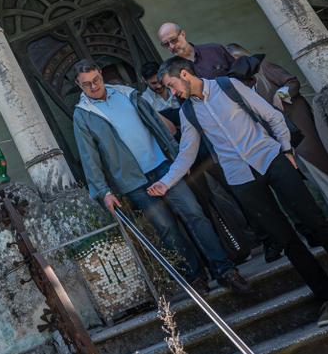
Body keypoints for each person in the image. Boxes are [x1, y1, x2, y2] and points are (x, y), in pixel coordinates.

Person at [151, 57, 328, 326]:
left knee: (317, 224)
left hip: (272, 160)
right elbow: (186, 153)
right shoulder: (188, 112)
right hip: (241, 179)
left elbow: (272, 116)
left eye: (172, 85)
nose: (172, 92)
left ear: (184, 74)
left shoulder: (228, 85)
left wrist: (287, 150)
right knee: (287, 241)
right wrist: (165, 182)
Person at [71, 60, 251, 294]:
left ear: (102, 75)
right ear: (79, 84)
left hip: (165, 167)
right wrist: (103, 190)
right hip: (134, 182)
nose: (93, 86)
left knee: (195, 214)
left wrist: (177, 156)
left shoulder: (128, 94)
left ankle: (225, 270)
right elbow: (89, 156)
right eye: (86, 84)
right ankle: (195, 278)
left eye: (96, 80)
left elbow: (157, 125)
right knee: (167, 229)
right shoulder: (82, 115)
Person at [226, 44, 328, 226]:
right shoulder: (244, 83)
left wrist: (281, 94)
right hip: (286, 134)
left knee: (318, 163)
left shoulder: (264, 66)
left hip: (298, 122)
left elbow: (292, 81)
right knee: (308, 172)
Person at [157, 23, 233, 80]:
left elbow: (239, 74)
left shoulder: (214, 50)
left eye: (173, 40)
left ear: (183, 34)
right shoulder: (171, 69)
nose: (171, 46)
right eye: (166, 44)